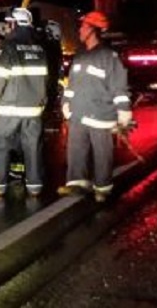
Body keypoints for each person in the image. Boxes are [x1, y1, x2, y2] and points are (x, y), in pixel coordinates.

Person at [58, 11, 132, 202]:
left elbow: (119, 87)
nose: (80, 30)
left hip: (101, 114)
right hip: (78, 113)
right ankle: (77, 183)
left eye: (83, 26)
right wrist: (66, 103)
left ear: (93, 29)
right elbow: (71, 83)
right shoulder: (80, 55)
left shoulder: (109, 57)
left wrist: (124, 112)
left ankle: (103, 187)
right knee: (75, 149)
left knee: (102, 153)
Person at [0, 7, 49, 198]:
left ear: (14, 23)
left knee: (1, 143)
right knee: (33, 146)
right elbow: (45, 80)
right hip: (34, 110)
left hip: (10, 109)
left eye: (8, 23)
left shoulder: (9, 48)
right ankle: (35, 185)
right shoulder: (40, 48)